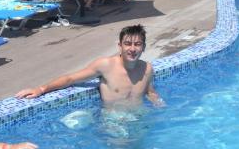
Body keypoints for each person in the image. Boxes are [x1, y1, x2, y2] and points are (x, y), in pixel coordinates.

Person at [15, 24, 164, 108]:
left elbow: (149, 91)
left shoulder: (147, 69)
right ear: (120, 46)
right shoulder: (106, 65)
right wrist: (41, 89)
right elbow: (70, 79)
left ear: (144, 47)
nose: (132, 49)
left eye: (137, 44)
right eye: (127, 44)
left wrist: (160, 105)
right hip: (114, 122)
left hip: (139, 119)